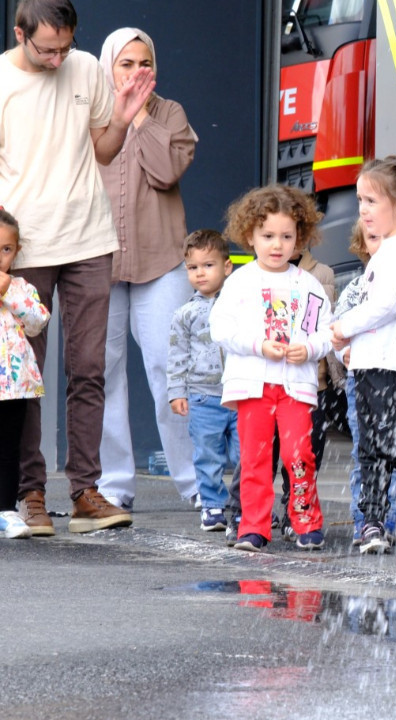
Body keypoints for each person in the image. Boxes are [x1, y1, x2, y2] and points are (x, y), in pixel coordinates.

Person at [3, 0, 153, 535]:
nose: (57, 57)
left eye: (65, 46)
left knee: (88, 369)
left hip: (89, 238)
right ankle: (30, 494)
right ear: (20, 34)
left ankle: (87, 492)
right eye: (47, 49)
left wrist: (124, 119)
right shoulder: (1, 81)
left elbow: (104, 151)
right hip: (25, 248)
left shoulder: (86, 66)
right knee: (25, 380)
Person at [96, 27, 200, 512]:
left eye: (144, 64)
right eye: (126, 64)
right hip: (98, 261)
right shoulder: (91, 112)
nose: (137, 73)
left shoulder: (169, 113)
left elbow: (164, 171)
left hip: (161, 261)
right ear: (107, 68)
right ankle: (113, 485)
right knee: (102, 373)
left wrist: (138, 118)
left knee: (169, 369)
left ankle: (198, 485)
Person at [210, 186, 332, 552]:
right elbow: (221, 329)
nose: (277, 245)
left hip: (295, 386)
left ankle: (306, 522)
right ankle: (253, 528)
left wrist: (309, 348)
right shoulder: (239, 282)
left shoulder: (308, 285)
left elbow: (327, 330)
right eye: (267, 236)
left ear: (300, 238)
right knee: (255, 459)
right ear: (250, 236)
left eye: (286, 236)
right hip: (253, 385)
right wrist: (258, 345)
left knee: (300, 456)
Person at [330, 156, 396, 555]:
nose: (362, 210)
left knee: (394, 449)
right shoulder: (387, 251)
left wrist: (346, 327)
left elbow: (392, 302)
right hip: (373, 365)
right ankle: (372, 522)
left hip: (394, 370)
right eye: (360, 201)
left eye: (371, 201)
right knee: (373, 450)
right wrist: (345, 347)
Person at [335, 224, 396, 546]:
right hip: (362, 380)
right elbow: (337, 330)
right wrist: (344, 353)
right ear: (363, 245)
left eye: (388, 239)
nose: (381, 246)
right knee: (365, 450)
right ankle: (366, 519)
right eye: (373, 239)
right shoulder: (355, 289)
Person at [166, 229, 236, 532]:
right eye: (193, 268)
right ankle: (212, 505)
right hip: (202, 396)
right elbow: (177, 355)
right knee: (207, 453)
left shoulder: (239, 304)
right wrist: (176, 391)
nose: (201, 273)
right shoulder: (185, 314)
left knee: (243, 454)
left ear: (227, 266)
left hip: (239, 391)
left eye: (208, 265)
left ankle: (246, 505)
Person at [0, 210, 50, 540]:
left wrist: (9, 293)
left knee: (8, 449)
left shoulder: (19, 287)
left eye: (5, 249)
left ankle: (5, 510)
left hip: (13, 387)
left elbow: (37, 322)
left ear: (16, 252)